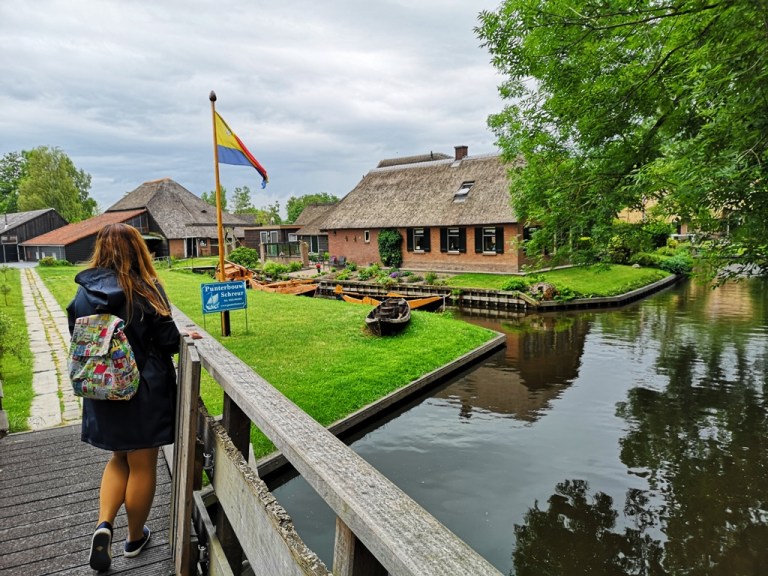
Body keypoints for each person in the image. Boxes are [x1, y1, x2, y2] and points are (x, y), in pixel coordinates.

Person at [67, 223, 181, 572]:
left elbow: (78, 334)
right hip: (144, 389)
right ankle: (134, 538)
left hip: (104, 389)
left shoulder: (83, 292)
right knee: (143, 462)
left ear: (99, 248)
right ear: (138, 250)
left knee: (118, 458)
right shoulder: (146, 288)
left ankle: (104, 525)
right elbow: (169, 342)